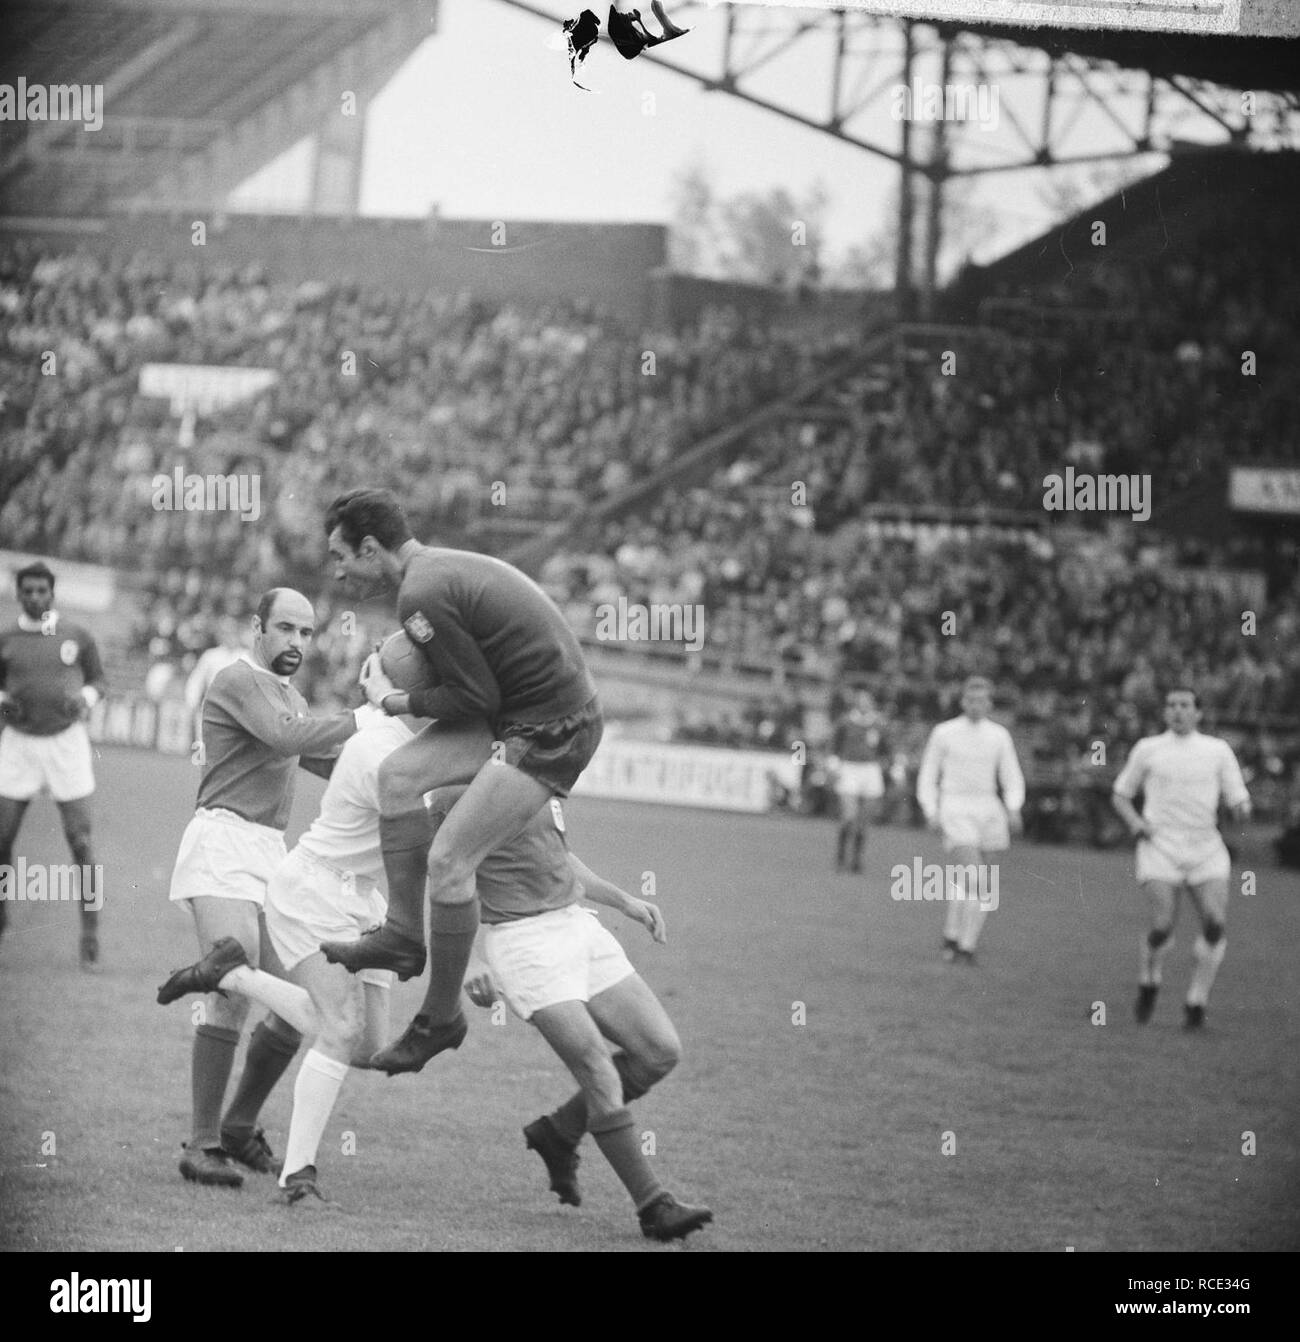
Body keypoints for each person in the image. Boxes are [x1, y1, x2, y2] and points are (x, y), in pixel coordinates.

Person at [319, 489, 603, 1074]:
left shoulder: (421, 594)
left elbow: (475, 696)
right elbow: (483, 691)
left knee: (449, 862)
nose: (338, 570)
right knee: (395, 777)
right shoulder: (432, 576)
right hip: (517, 713)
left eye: (341, 555)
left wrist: (391, 697)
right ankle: (402, 932)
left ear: (371, 548)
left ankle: (439, 1019)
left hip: (553, 726)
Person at [159, 704, 479, 1204]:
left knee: (367, 1047)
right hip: (319, 889)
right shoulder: (376, 741)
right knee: (339, 1028)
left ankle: (232, 983)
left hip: (364, 896)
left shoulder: (421, 747)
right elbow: (427, 852)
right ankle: (290, 1173)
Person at [416, 776, 712, 1242]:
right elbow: (443, 871)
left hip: (578, 927)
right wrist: (470, 957)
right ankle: (654, 1206)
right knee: (598, 1069)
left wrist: (624, 900)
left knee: (658, 1051)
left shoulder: (536, 772)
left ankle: (558, 1132)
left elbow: (557, 857)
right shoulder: (454, 786)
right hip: (522, 942)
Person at [160, 588, 363, 1188]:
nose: (298, 642)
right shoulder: (237, 680)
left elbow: (319, 759)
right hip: (222, 840)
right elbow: (288, 738)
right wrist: (371, 714)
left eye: (307, 632)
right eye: (286, 629)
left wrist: (390, 760)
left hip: (271, 853)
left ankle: (240, 1126)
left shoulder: (291, 696)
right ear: (257, 628)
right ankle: (201, 1144)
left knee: (297, 1000)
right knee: (236, 981)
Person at [1112, 688, 1251, 1030]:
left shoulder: (1217, 750)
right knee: (1162, 925)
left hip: (1205, 847)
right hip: (1160, 845)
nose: (1177, 711)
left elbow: (1238, 796)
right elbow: (1121, 794)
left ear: (1198, 713)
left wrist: (1241, 808)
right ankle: (1149, 979)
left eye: (1185, 705)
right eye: (1171, 705)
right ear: (1164, 712)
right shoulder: (1148, 748)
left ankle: (1196, 1001)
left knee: (1215, 923)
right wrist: (1135, 823)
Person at [0, 561, 107, 965]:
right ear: (18, 593)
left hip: (66, 744)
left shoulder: (75, 635)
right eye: (28, 590)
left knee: (80, 842)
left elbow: (99, 680)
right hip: (19, 744)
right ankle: (1, 916)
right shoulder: (6, 639)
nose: (35, 597)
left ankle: (90, 934)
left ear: (53, 593)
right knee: (1, 839)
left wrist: (87, 699)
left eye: (42, 590)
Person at [916, 676, 1025, 964]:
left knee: (978, 882)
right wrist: (930, 808)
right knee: (975, 875)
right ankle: (964, 947)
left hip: (988, 809)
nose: (976, 705)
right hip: (955, 806)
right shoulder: (944, 732)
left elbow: (1011, 776)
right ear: (963, 701)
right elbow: (928, 774)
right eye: (971, 700)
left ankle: (956, 940)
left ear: (989, 703)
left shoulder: (999, 735)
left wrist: (1013, 807)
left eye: (982, 700)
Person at [828, 689, 892, 874]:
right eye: (861, 700)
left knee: (864, 819)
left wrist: (886, 764)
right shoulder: (846, 722)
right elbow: (834, 745)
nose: (864, 704)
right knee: (849, 815)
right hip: (849, 768)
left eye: (867, 700)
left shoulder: (879, 723)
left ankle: (856, 858)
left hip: (870, 770)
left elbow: (886, 748)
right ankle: (841, 855)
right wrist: (834, 765)